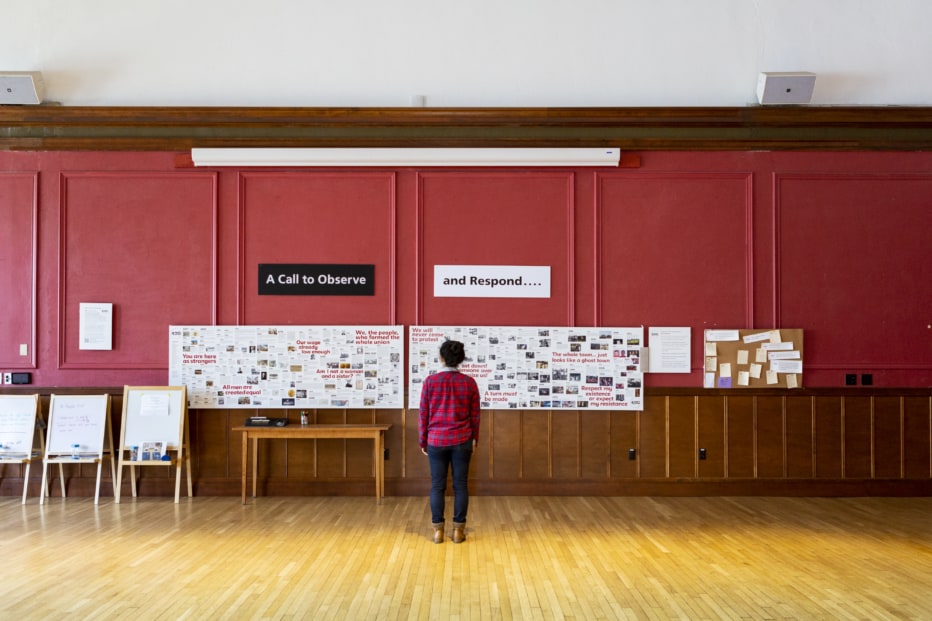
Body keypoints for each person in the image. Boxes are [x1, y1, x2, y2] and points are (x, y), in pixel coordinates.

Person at [418, 340, 481, 544]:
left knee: (437, 485)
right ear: (461, 359)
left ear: (442, 358)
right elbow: (475, 417)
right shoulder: (469, 383)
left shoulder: (430, 382)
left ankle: (438, 531)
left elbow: (423, 415)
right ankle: (458, 531)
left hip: (436, 439)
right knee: (461, 485)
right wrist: (474, 439)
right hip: (462, 439)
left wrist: (423, 440)